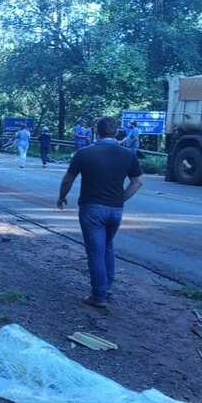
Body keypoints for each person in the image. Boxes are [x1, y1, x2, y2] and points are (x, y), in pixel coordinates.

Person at [57, 117, 144, 308]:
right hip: (116, 210)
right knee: (108, 246)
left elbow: (68, 179)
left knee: (95, 251)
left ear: (97, 132)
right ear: (116, 133)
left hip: (92, 209)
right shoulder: (128, 154)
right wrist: (121, 198)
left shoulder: (84, 153)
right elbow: (137, 181)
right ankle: (107, 287)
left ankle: (99, 296)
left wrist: (62, 197)